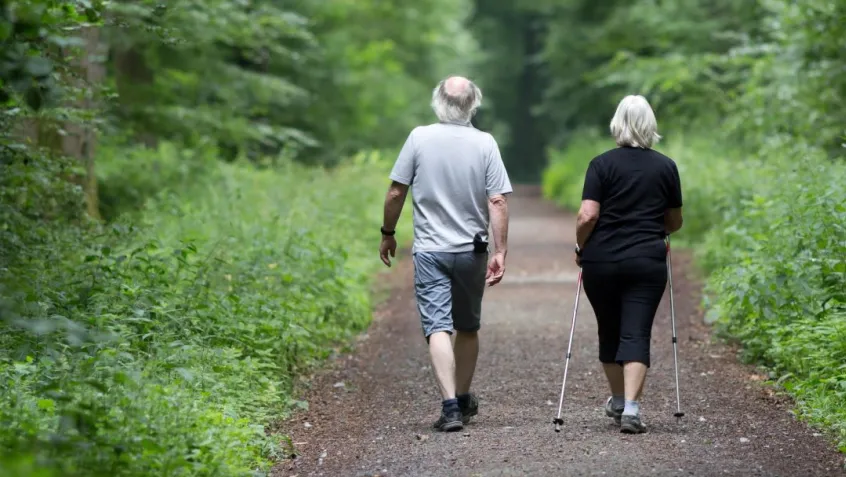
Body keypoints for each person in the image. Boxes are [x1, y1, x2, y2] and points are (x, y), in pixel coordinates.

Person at [378, 75, 512, 432]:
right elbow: (497, 199)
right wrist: (501, 250)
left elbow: (395, 192)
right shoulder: (485, 143)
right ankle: (464, 397)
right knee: (468, 326)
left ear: (438, 101)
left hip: (430, 251)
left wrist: (388, 233)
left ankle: (450, 407)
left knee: (438, 327)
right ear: (473, 103)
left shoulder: (418, 138)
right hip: (472, 250)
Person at [573, 94, 684, 434]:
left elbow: (588, 214)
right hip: (646, 260)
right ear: (650, 126)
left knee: (609, 329)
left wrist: (580, 243)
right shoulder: (666, 166)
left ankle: (619, 399)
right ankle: (632, 410)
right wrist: (651, 229)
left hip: (601, 260)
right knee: (636, 331)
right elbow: (675, 221)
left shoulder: (601, 164)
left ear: (617, 124)